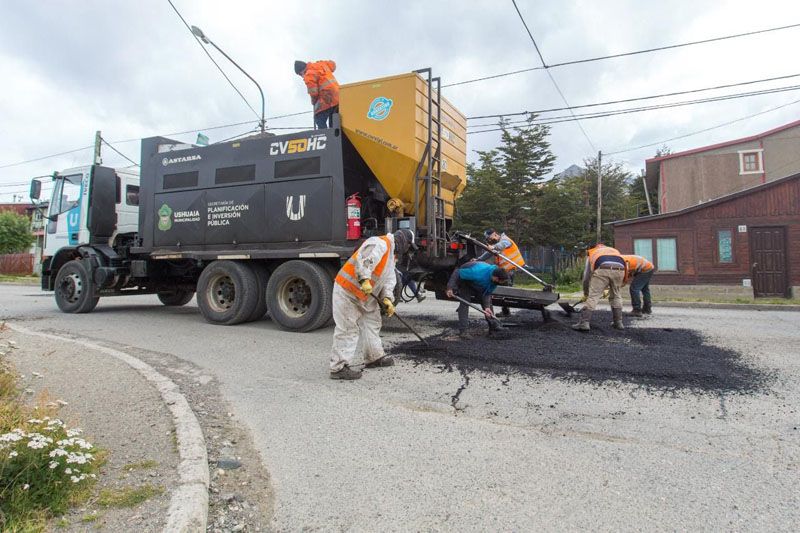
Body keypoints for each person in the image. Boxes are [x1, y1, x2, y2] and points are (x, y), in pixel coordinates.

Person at [330, 229, 417, 380]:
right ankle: (339, 368)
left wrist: (388, 299)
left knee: (373, 322)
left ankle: (374, 358)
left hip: (366, 296)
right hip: (348, 291)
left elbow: (389, 281)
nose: (408, 250)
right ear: (404, 241)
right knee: (348, 328)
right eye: (409, 246)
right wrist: (364, 279)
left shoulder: (391, 257)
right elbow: (365, 260)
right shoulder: (379, 243)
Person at [445, 260, 510, 337]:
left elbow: (487, 294)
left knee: (488, 306)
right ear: (496, 278)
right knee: (465, 303)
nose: (501, 283)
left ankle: (494, 327)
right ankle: (463, 331)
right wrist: (450, 288)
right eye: (501, 281)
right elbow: (457, 272)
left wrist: (487, 307)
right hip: (465, 280)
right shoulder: (477, 274)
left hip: (478, 283)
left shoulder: (495, 280)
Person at [572, 243, 627, 331]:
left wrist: (586, 294)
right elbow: (614, 267)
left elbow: (586, 278)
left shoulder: (592, 253)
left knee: (593, 296)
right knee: (616, 295)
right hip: (621, 269)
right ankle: (618, 323)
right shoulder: (612, 250)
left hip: (603, 267)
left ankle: (584, 323)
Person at [477, 229, 523, 316]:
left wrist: (494, 247)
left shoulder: (505, 240)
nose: (489, 241)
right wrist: (479, 259)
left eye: (489, 238)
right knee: (503, 290)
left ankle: (506, 311)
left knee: (506, 291)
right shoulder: (497, 244)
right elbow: (489, 253)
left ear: (494, 234)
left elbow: (502, 245)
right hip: (505, 270)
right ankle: (506, 311)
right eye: (488, 239)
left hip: (510, 269)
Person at [294, 60, 339, 129]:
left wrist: (313, 101)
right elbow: (333, 65)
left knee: (318, 117)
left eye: (300, 75)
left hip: (328, 97)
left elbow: (313, 93)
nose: (302, 76)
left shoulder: (309, 74)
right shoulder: (321, 64)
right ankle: (334, 134)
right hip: (338, 96)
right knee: (333, 119)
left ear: (301, 72)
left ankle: (325, 136)